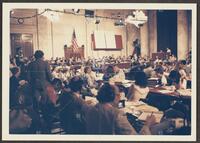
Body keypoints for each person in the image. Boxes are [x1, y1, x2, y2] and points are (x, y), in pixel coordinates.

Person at [84, 83, 155, 134]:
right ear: (113, 96)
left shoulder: (90, 109)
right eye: (118, 94)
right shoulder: (117, 114)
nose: (119, 97)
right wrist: (147, 125)